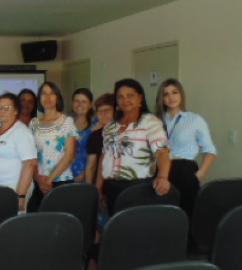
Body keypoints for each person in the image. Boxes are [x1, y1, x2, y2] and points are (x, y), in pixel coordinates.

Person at [97, 79, 170, 216]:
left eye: (130, 95)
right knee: (117, 229)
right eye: (121, 96)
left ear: (140, 97)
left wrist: (163, 177)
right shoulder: (110, 127)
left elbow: (162, 152)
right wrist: (99, 188)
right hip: (112, 188)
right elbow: (104, 158)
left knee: (136, 230)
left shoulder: (150, 122)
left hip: (138, 189)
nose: (125, 100)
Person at [156, 79, 218, 217]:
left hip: (184, 169)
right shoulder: (156, 120)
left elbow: (210, 150)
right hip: (161, 170)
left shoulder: (194, 119)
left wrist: (199, 175)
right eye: (166, 94)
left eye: (174, 92)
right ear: (162, 98)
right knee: (163, 215)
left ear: (181, 94)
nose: (171, 97)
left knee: (186, 214)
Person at [0, 93, 37, 213]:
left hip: (14, 189)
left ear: (16, 111)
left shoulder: (21, 132)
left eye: (7, 107)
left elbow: (30, 164)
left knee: (13, 227)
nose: (2, 111)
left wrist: (21, 195)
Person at [28, 82, 77, 212]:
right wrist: (38, 178)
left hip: (61, 180)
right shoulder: (34, 123)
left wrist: (50, 179)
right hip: (40, 181)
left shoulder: (67, 122)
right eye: (44, 93)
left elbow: (69, 154)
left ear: (58, 98)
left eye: (52, 93)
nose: (48, 97)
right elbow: (31, 155)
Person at [84, 94, 115, 228]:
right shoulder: (95, 136)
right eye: (100, 111)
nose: (103, 115)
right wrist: (92, 191)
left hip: (118, 183)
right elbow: (91, 166)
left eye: (107, 111)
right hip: (100, 185)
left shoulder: (125, 132)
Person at [70, 88, 94, 183]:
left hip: (87, 177)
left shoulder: (96, 125)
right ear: (72, 102)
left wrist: (84, 173)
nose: (80, 105)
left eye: (84, 101)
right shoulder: (65, 124)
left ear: (90, 105)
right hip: (64, 175)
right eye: (77, 101)